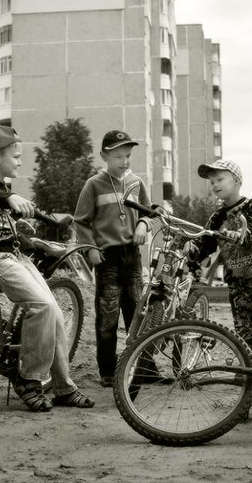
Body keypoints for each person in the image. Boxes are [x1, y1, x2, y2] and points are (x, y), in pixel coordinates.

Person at [0, 125, 94, 412]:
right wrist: (7, 199)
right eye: (16, 156)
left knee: (56, 315)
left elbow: (5, 230)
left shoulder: (3, 187)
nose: (20, 161)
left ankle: (63, 388)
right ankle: (29, 379)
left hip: (16, 257)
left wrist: (35, 242)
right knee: (43, 306)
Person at [73, 130, 152, 388]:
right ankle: (107, 371)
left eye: (128, 155)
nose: (124, 161)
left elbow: (150, 213)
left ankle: (141, 369)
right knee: (108, 316)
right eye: (118, 156)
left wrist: (142, 224)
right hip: (107, 258)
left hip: (133, 256)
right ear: (104, 156)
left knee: (137, 315)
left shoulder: (136, 183)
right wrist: (89, 248)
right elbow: (80, 222)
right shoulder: (93, 185)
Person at [191, 159, 252, 366]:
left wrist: (241, 234)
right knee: (245, 327)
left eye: (219, 179)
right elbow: (205, 244)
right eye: (211, 182)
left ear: (236, 180)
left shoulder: (251, 205)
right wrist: (193, 250)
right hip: (236, 281)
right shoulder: (217, 217)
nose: (215, 185)